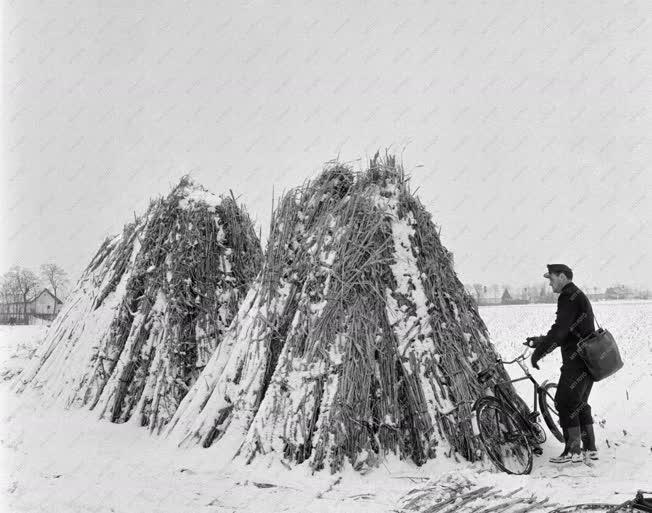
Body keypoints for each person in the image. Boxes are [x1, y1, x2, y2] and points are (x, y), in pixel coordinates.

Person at [526, 264, 598, 464]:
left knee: (564, 403)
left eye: (552, 278)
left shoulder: (568, 296)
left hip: (576, 361)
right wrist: (541, 340)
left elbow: (559, 331)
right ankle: (589, 449)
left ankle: (573, 451)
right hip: (587, 361)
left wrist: (538, 354)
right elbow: (567, 332)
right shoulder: (577, 295)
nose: (549, 283)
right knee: (578, 403)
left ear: (563, 276)